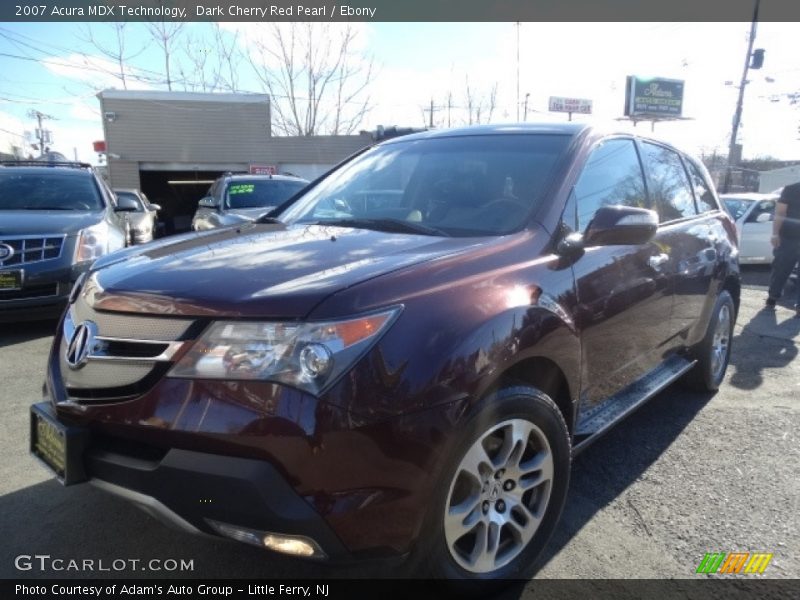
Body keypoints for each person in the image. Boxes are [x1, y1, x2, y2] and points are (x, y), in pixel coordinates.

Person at [765, 182, 800, 316]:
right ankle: (773, 297)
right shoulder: (791, 189)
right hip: (788, 238)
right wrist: (775, 233)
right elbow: (780, 212)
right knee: (781, 268)